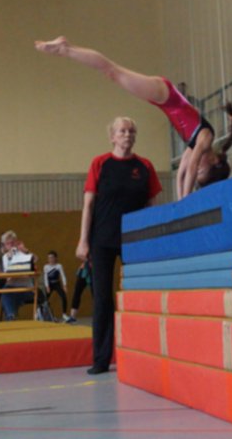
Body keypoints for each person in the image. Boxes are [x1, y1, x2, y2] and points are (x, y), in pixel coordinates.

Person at [35, 36, 232, 200]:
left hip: (163, 100)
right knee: (111, 70)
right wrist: (186, 201)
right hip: (167, 95)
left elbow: (182, 171)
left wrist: (181, 200)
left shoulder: (194, 147)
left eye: (199, 173)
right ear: (214, 160)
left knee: (112, 73)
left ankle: (67, 49)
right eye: (202, 171)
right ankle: (65, 49)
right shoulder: (206, 138)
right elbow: (191, 168)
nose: (198, 168)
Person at [78, 116, 162, 374]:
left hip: (134, 241)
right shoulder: (100, 163)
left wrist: (153, 239)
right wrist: (83, 241)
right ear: (112, 136)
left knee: (138, 296)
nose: (127, 135)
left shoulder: (145, 166)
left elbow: (152, 207)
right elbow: (88, 205)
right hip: (102, 240)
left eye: (131, 131)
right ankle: (101, 360)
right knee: (102, 299)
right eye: (122, 131)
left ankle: (142, 353)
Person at [0, 231, 45, 321]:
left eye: (12, 242)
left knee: (13, 297)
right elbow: (8, 276)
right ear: (5, 246)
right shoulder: (5, 257)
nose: (10, 245)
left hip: (26, 288)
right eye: (8, 243)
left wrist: (26, 250)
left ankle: (11, 317)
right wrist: (10, 259)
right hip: (12, 286)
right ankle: (11, 316)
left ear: (16, 242)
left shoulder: (23, 253)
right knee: (5, 292)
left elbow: (36, 259)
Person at [43, 251, 69, 321]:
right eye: (49, 258)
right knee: (44, 299)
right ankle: (45, 315)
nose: (50, 259)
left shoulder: (59, 266)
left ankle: (64, 314)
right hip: (50, 284)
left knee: (63, 297)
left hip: (57, 283)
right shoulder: (46, 267)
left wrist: (65, 285)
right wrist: (47, 286)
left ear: (55, 258)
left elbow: (63, 276)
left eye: (52, 257)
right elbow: (45, 277)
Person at [66, 258, 91, 324]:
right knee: (77, 292)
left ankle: (102, 315)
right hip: (84, 270)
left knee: (96, 294)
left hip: (95, 270)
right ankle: (72, 316)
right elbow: (80, 255)